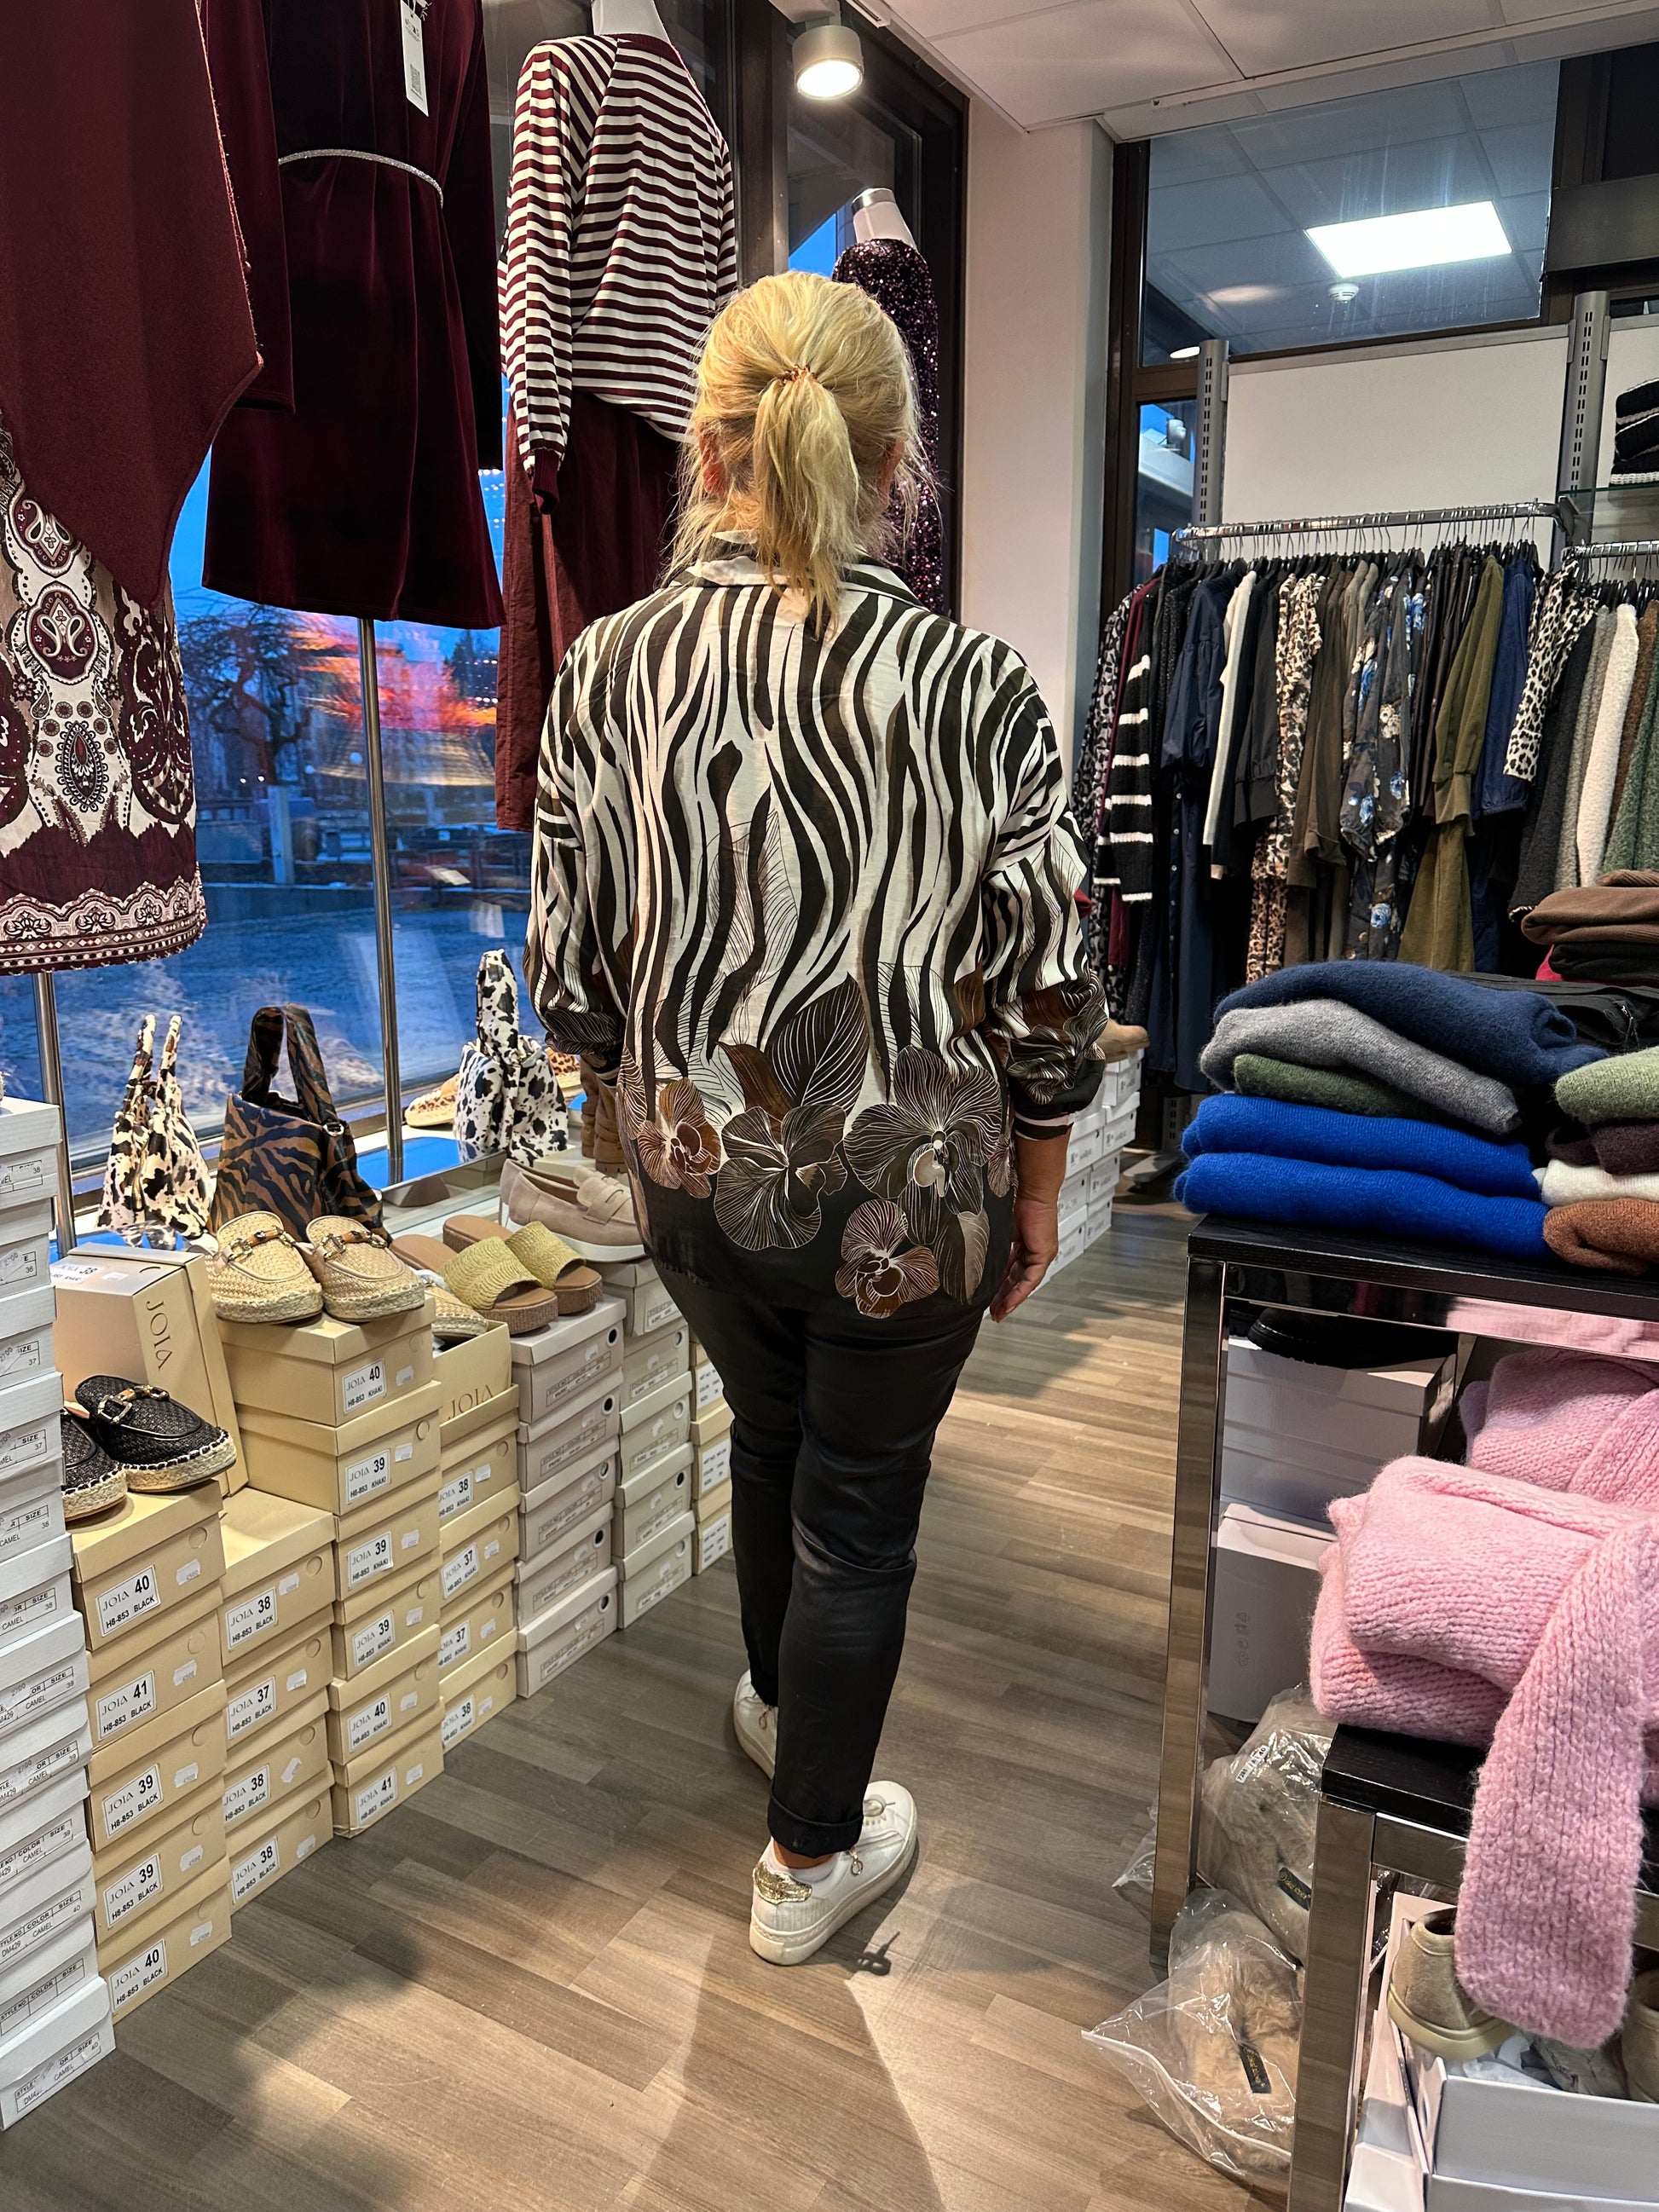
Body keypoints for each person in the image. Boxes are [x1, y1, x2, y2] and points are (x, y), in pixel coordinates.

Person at [526, 269, 1106, 1965]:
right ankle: (806, 1859)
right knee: (859, 1503)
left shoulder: (603, 671)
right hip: (906, 1195)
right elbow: (1046, 984)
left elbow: (567, 974)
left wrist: (629, 1122)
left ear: (705, 448)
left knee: (767, 1441)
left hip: (694, 1176)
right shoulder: (975, 683)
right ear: (895, 462)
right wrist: (1042, 1186)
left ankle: (785, 1716)